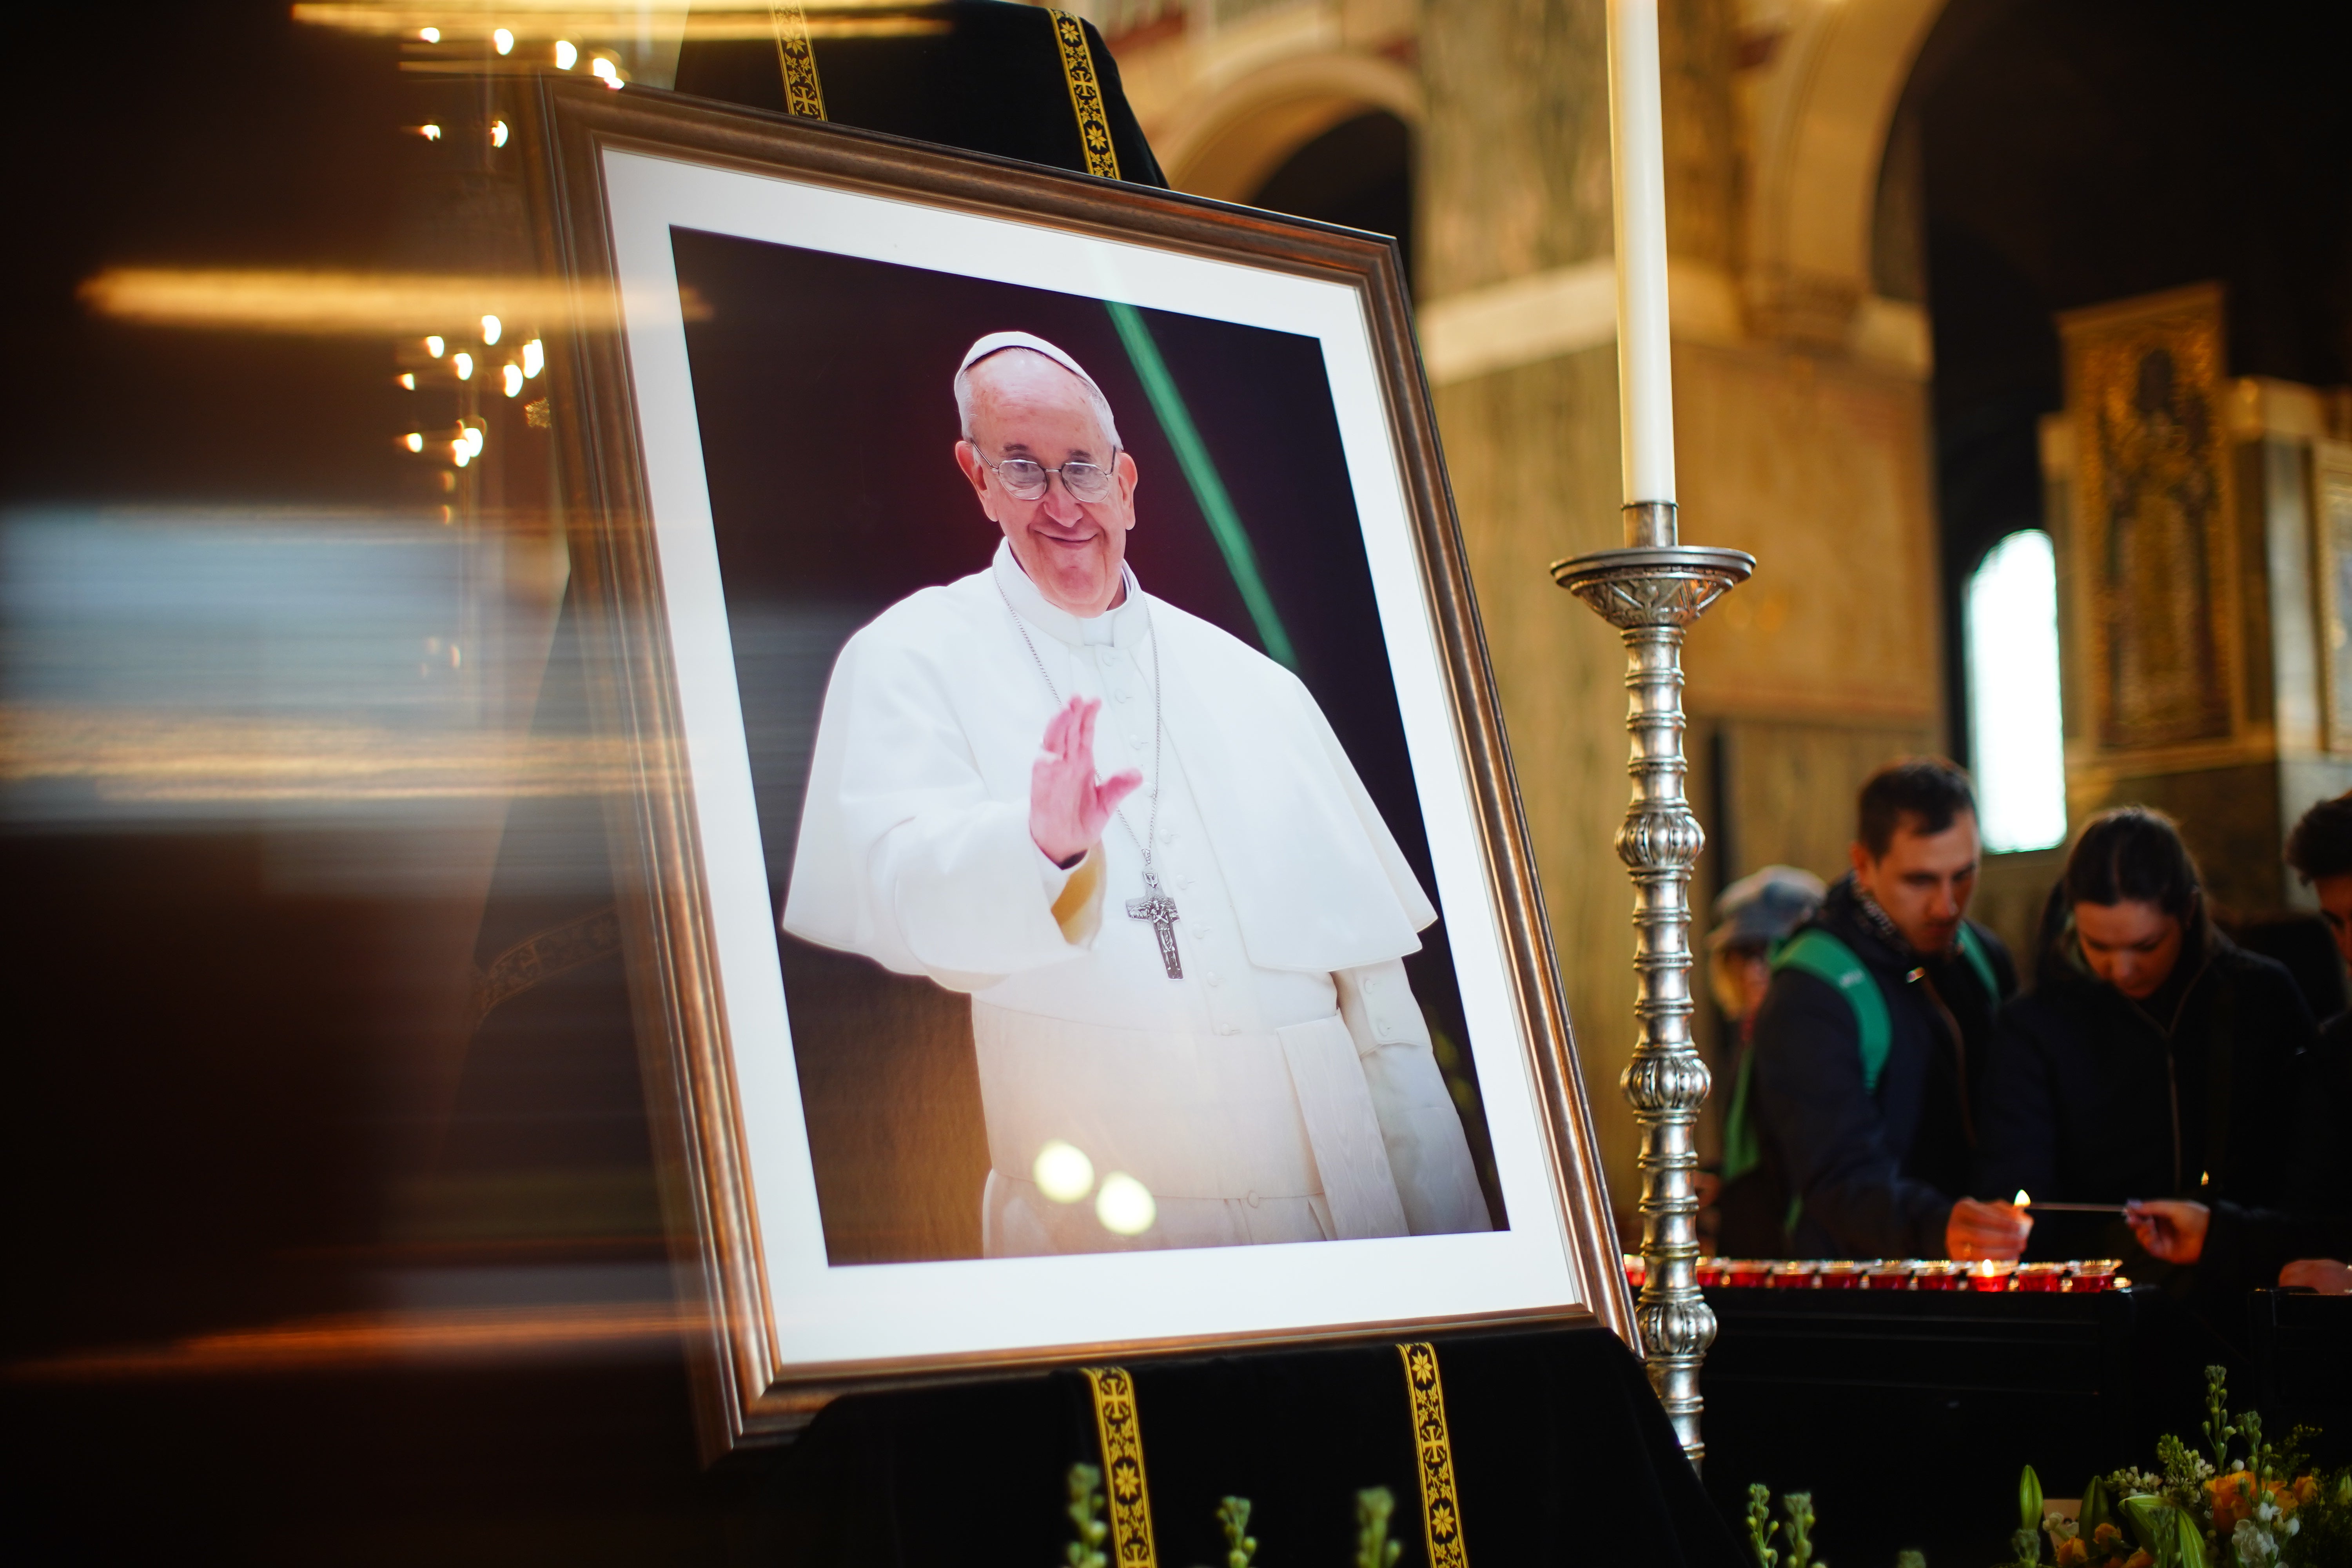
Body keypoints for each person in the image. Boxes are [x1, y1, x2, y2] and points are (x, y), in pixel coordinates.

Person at [783, 331, 1491, 1256]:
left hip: (1333, 1239)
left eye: (1082, 467)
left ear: (1127, 482)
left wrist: (1456, 1269)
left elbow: (1387, 1030)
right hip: (1103, 1248)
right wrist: (1038, 848)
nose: (1062, 502)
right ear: (977, 478)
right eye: (1023, 468)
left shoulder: (1256, 687)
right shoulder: (912, 655)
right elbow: (897, 886)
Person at [1975, 807, 2318, 1267]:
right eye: (2097, 945)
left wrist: (2230, 1234)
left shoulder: (2261, 997)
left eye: (2146, 946)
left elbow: (2311, 1174)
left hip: (2249, 1274)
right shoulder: (2035, 1025)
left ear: (2189, 911)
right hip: (2099, 1288)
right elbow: (2020, 1186)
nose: (2121, 969)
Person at [1748, 759, 2029, 1260]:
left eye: (1964, 875)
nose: (1947, 906)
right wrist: (1937, 1225)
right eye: (1920, 880)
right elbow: (1836, 1174)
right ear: (1863, 864)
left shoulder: (1983, 957)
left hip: (1979, 1264)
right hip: (1858, 1289)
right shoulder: (1812, 991)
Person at [2121, 794, 2352, 1294]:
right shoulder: (2338, 1053)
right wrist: (2216, 1235)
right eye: (2337, 922)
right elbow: (2316, 1224)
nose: (2350, 947)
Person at [1705, 865, 1827, 1257]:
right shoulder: (1750, 1033)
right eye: (1745, 952)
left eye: (1772, 949)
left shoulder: (1815, 1040)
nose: (1757, 968)